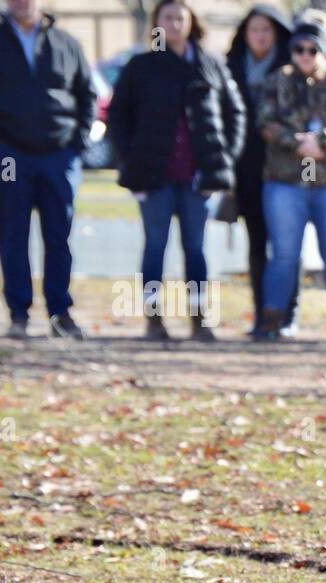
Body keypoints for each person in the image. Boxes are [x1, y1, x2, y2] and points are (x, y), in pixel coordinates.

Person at [109, 0, 245, 342]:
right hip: (155, 177)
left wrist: (223, 160)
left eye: (180, 18)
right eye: (167, 18)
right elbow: (118, 117)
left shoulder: (210, 65)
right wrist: (131, 162)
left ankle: (200, 318)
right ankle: (154, 319)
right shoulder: (142, 66)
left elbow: (235, 113)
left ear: (191, 22)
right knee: (155, 245)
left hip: (198, 178)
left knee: (196, 249)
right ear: (157, 23)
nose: (174, 24)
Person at [0, 0, 94, 340]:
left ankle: (60, 313)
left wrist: (76, 145)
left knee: (59, 236)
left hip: (58, 157)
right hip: (10, 157)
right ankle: (18, 313)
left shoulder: (66, 43)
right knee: (12, 233)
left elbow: (87, 95)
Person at [256, 10, 326, 343]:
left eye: (312, 49)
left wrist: (324, 141)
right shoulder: (276, 82)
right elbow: (265, 122)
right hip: (286, 182)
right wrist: (298, 143)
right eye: (299, 49)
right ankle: (272, 320)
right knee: (284, 255)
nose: (305, 55)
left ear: (323, 51)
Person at [227, 5, 297, 341]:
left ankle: (287, 314)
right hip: (246, 170)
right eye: (254, 29)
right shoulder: (231, 68)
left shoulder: (291, 68)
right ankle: (261, 315)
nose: (260, 36)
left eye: (266, 29)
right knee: (257, 245)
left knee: (285, 247)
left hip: (284, 170)